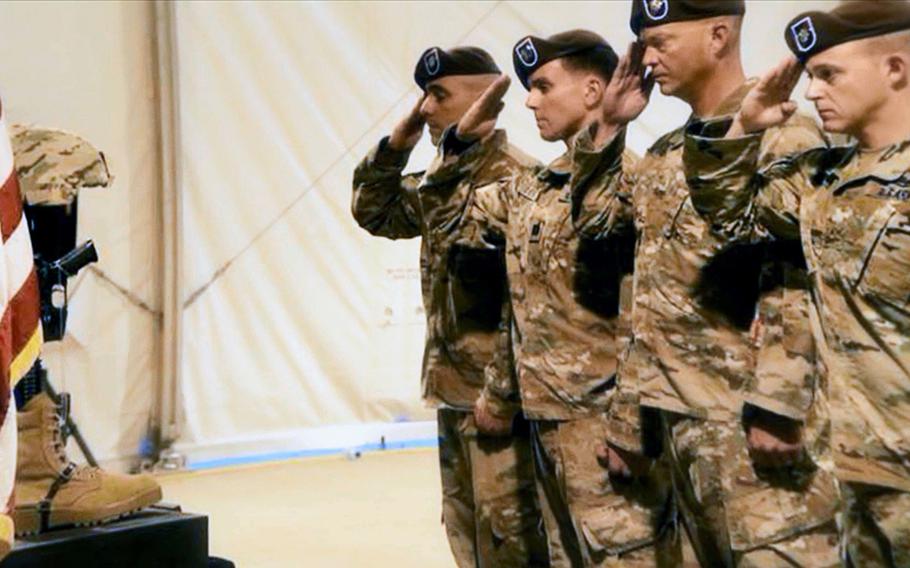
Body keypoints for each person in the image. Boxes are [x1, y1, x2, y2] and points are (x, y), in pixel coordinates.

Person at [572, 1, 840, 565]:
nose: (646, 58)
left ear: (719, 35)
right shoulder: (671, 150)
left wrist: (778, 402)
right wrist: (610, 125)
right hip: (676, 418)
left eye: (660, 41)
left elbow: (800, 271)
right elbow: (606, 238)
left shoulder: (784, 132)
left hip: (745, 427)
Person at [433, 30, 675, 567]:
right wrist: (458, 147)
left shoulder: (633, 183)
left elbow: (647, 313)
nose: (529, 100)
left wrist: (631, 426)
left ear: (594, 91)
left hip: (602, 427)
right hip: (543, 423)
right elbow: (446, 222)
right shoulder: (531, 188)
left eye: (543, 86)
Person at [683, 1, 910, 564]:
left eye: (828, 74)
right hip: (858, 466)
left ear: (896, 70)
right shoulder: (824, 180)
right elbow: (732, 213)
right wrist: (743, 126)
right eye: (810, 77)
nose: (811, 92)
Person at [351, 46, 547, 567]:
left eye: (439, 95)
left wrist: (501, 395)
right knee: (466, 535)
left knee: (512, 541)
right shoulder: (443, 181)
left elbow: (527, 302)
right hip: (454, 391)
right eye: (424, 96)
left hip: (500, 399)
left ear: (485, 98)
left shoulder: (518, 181)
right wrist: (398, 145)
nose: (427, 108)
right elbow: (375, 211)